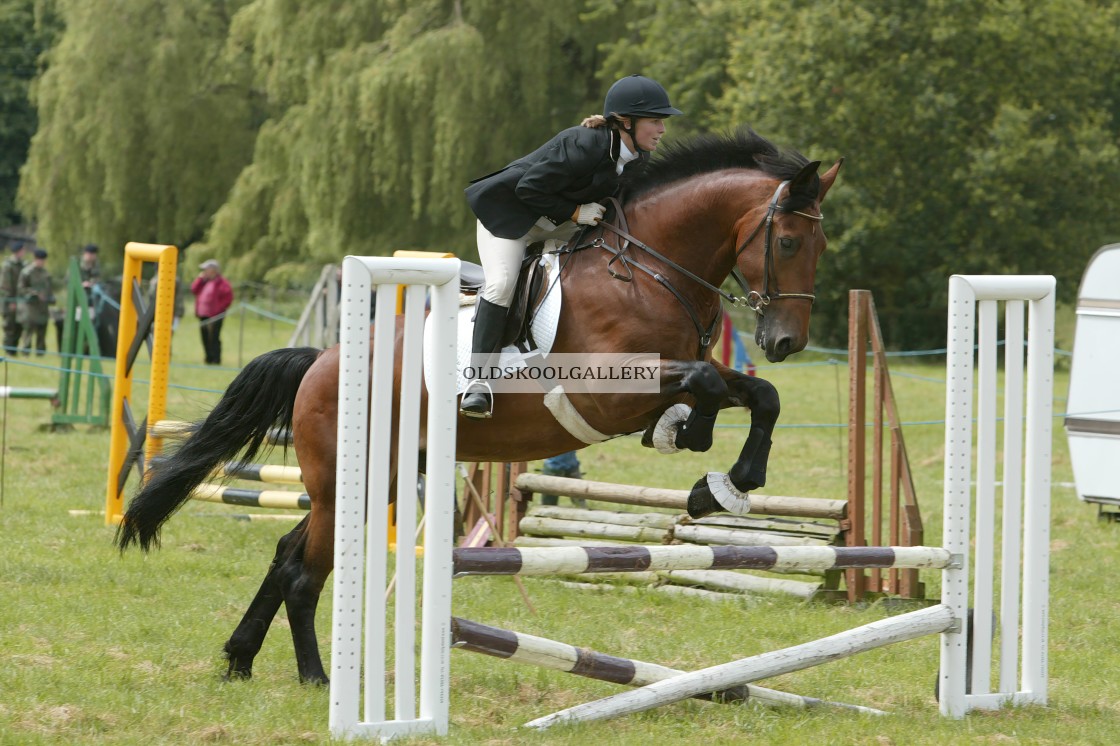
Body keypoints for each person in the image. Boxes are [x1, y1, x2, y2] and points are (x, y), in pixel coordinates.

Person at [460, 74, 682, 418]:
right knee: (502, 283)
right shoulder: (582, 144)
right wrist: (576, 212)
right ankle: (478, 381)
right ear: (626, 121)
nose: (662, 130)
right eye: (655, 121)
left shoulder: (639, 159)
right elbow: (528, 189)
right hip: (510, 219)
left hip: (560, 226)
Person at [191, 259, 233, 365]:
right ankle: (208, 357)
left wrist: (219, 309)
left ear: (213, 270)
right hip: (203, 314)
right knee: (204, 336)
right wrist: (200, 279)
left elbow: (228, 297)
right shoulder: (203, 281)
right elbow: (194, 289)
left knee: (214, 336)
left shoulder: (222, 283)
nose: (204, 271)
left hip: (216, 315)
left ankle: (216, 358)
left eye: (206, 269)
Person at [17, 248, 53, 356]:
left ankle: (40, 352)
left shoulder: (46, 273)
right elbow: (21, 288)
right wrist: (34, 293)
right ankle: (25, 351)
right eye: (39, 260)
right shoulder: (26, 272)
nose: (41, 262)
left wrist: (50, 297)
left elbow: (49, 288)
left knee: (42, 329)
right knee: (28, 330)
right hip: (30, 307)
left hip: (42, 307)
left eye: (43, 260)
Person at [1, 242, 28, 354]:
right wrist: (11, 300)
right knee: (9, 325)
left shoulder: (23, 264)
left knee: (19, 325)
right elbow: (6, 285)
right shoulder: (8, 265)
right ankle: (9, 349)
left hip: (20, 300)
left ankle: (14, 348)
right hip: (10, 301)